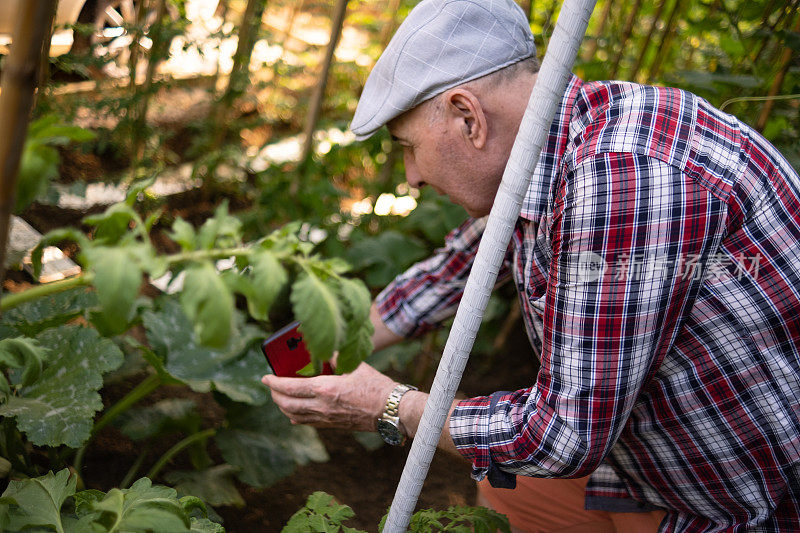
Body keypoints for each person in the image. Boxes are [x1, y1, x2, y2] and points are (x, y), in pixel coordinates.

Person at [261, 0, 800, 530]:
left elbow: (564, 435)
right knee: (514, 493)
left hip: (747, 498)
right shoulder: (559, 140)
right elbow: (457, 271)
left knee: (523, 470)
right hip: (658, 457)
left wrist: (389, 405)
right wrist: (343, 340)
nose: (411, 177)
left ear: (467, 116)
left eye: (407, 147)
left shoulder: (620, 183)